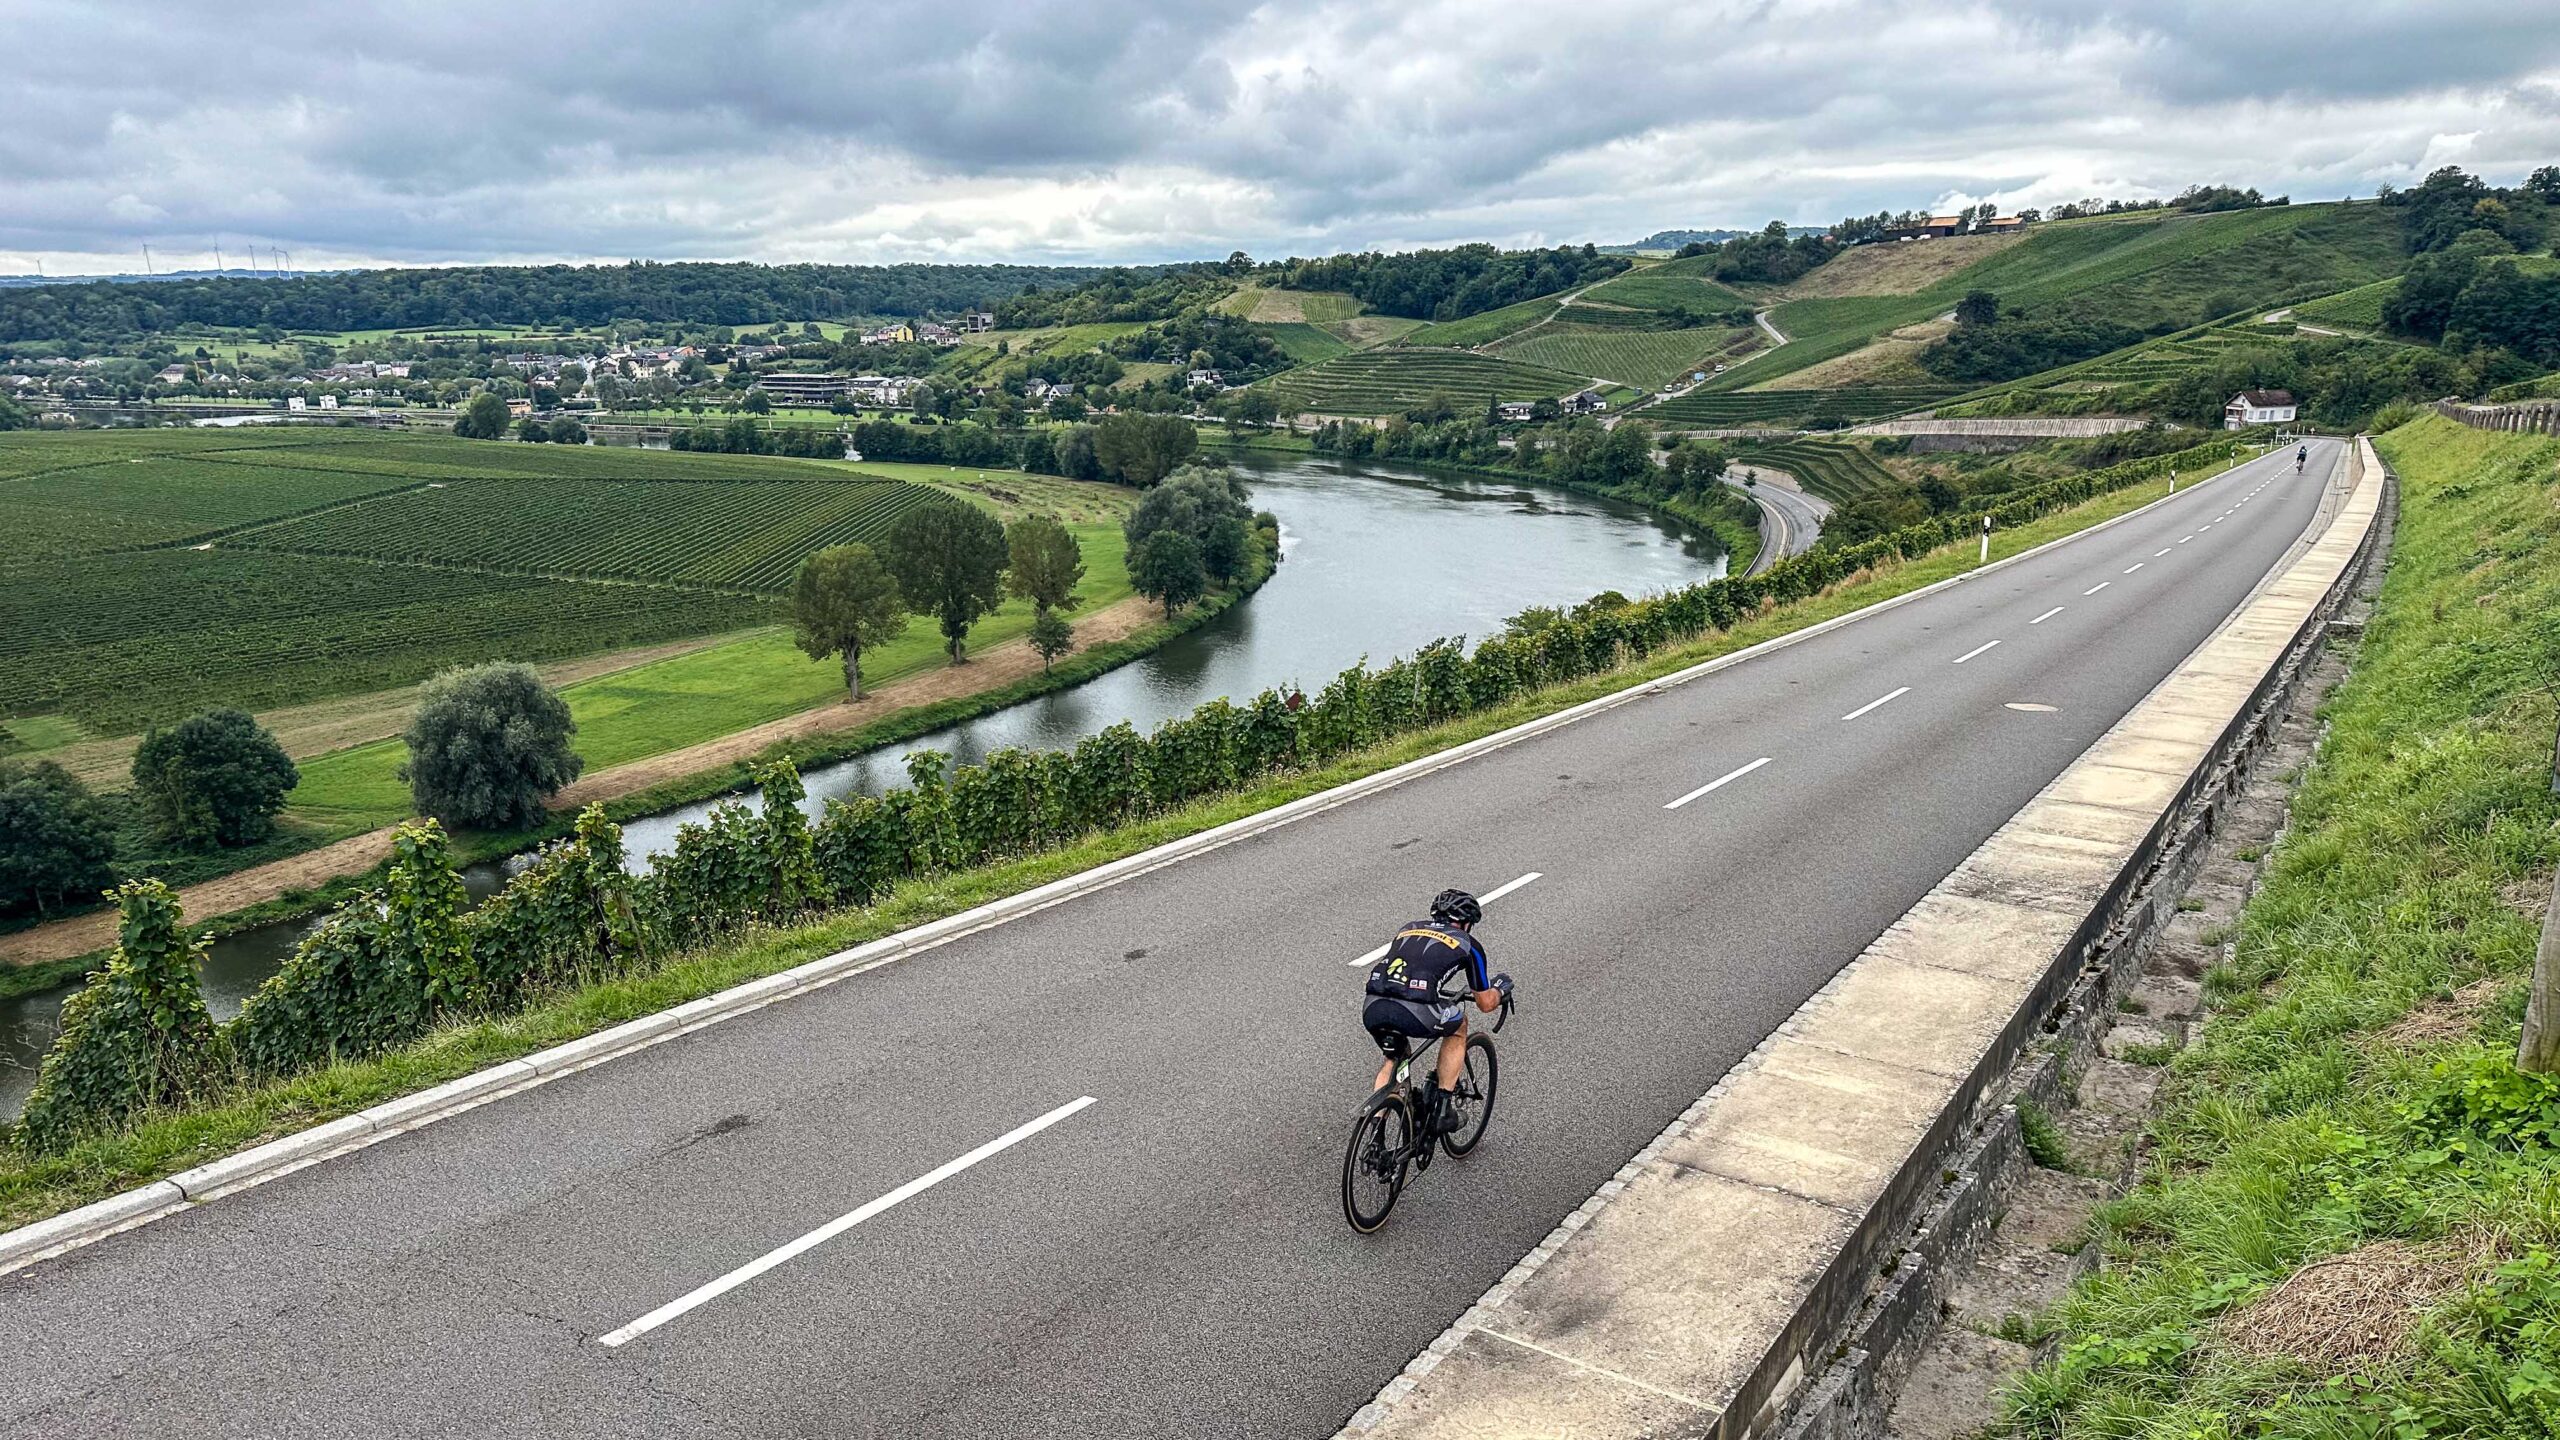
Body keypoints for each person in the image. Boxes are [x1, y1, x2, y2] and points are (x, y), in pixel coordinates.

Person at [1362, 889, 1511, 1133]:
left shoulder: (1407, 928)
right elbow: (1485, 1003)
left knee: (1394, 1057)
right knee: (1458, 1025)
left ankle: (1375, 1131)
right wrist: (1501, 988)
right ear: (1465, 923)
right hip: (1416, 1011)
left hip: (1373, 1006)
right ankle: (1443, 1110)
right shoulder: (1468, 944)